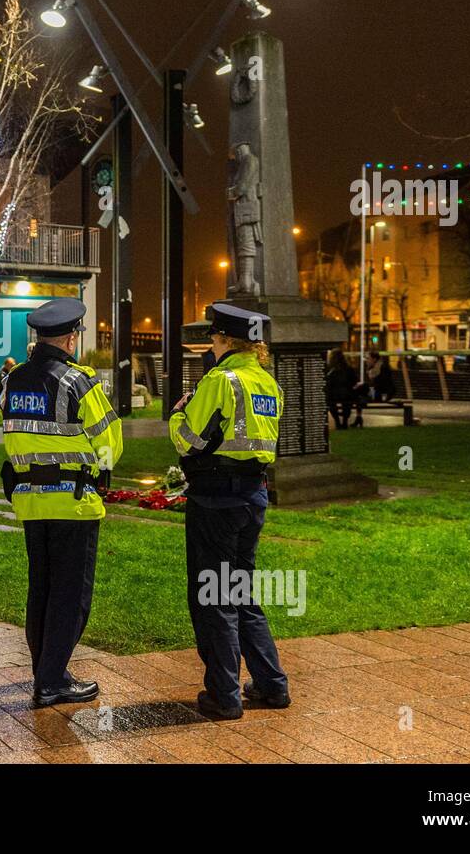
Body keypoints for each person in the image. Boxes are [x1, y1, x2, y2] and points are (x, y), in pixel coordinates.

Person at [168, 302, 289, 721]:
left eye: (213, 339)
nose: (212, 345)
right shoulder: (267, 383)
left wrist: (178, 413)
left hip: (216, 500)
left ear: (223, 340)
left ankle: (224, 695)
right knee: (242, 591)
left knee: (214, 597)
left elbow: (189, 441)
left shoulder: (221, 380)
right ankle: (272, 685)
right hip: (253, 495)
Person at [0, 297, 122, 708]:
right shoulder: (78, 382)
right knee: (70, 597)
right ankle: (51, 683)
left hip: (31, 501)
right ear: (71, 338)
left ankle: (48, 671)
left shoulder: (13, 380)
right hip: (73, 503)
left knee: (42, 591)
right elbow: (110, 446)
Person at [324, 349, 357, 429]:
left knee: (330, 403)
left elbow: (327, 383)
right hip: (347, 393)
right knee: (347, 403)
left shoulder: (330, 370)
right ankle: (345, 421)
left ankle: (337, 421)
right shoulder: (348, 368)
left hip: (333, 395)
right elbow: (354, 381)